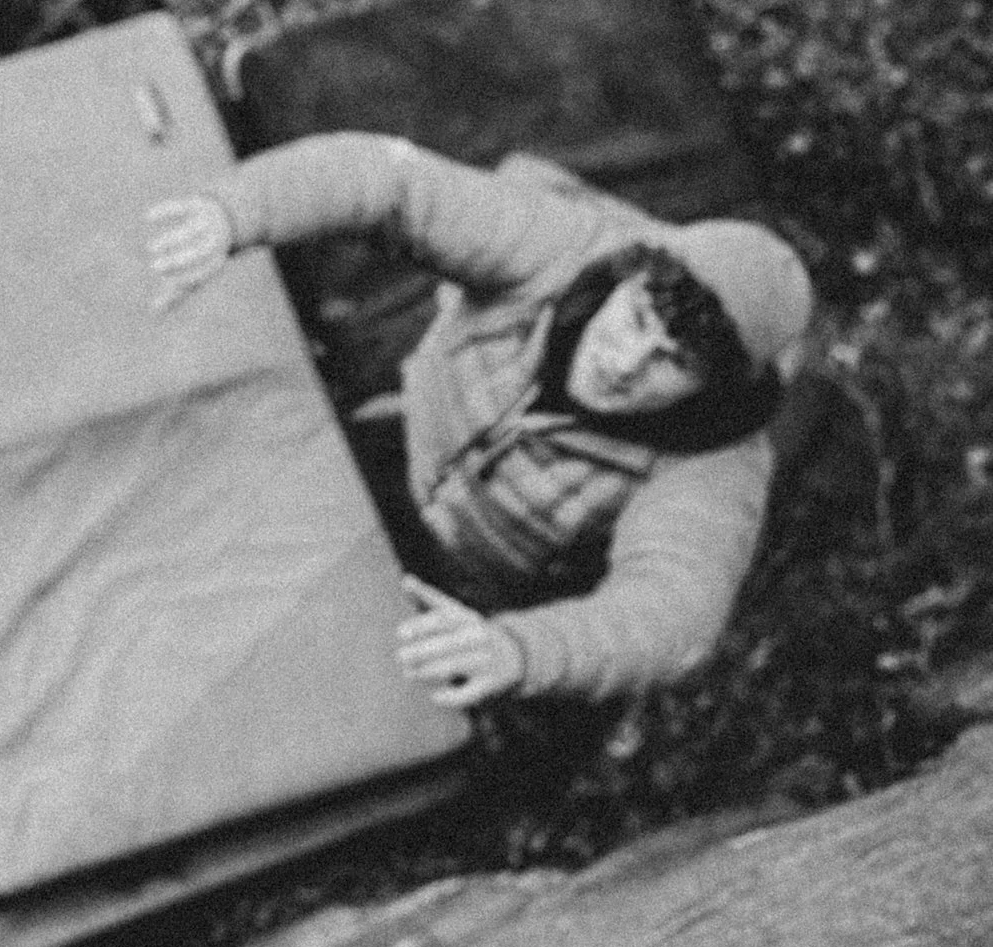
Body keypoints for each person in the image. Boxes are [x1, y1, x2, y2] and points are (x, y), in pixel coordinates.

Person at [146, 133, 814, 708]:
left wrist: (518, 651)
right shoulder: (559, 245)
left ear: (710, 391)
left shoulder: (718, 463)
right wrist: (231, 213)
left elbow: (673, 615)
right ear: (626, 282)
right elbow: (392, 181)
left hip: (486, 597)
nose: (624, 362)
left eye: (671, 362)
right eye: (636, 318)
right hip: (398, 440)